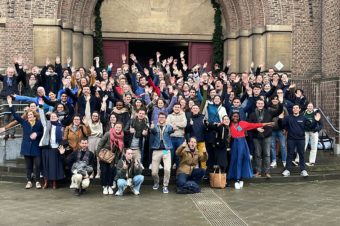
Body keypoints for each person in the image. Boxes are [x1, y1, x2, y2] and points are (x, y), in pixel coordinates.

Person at [228, 112, 274, 189]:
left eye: (237, 116)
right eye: (234, 116)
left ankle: (239, 179)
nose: (235, 117)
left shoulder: (242, 123)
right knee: (234, 160)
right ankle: (236, 177)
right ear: (231, 117)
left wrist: (267, 123)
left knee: (241, 160)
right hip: (234, 144)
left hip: (242, 143)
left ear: (239, 117)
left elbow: (254, 125)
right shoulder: (229, 124)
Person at [7, 96, 44, 189]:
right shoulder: (24, 122)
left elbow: (43, 132)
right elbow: (15, 115)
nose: (30, 116)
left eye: (31, 115)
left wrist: (37, 133)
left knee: (38, 165)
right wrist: (10, 104)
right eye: (28, 115)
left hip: (36, 147)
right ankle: (29, 181)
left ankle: (38, 181)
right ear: (27, 117)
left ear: (34, 116)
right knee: (28, 166)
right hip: (26, 147)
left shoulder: (39, 123)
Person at [279, 104, 321, 177]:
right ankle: (287, 170)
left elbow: (311, 126)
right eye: (294, 108)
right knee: (290, 154)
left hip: (301, 139)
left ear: (299, 109)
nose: (295, 109)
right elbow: (281, 126)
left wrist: (316, 121)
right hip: (291, 139)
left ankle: (303, 170)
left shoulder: (303, 118)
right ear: (292, 110)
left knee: (301, 154)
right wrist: (280, 119)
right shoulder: (288, 118)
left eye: (297, 108)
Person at [38, 105, 65, 189]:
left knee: (54, 166)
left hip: (55, 148)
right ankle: (46, 182)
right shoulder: (46, 124)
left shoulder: (61, 127)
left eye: (54, 116)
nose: (53, 117)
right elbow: (42, 116)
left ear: (57, 118)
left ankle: (54, 183)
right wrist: (41, 106)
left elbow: (63, 138)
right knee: (45, 166)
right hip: (46, 148)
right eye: (51, 116)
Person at [96, 122, 125, 195]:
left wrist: (117, 160)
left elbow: (120, 149)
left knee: (111, 172)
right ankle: (105, 186)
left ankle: (109, 186)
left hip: (113, 158)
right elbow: (100, 144)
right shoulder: (108, 134)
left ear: (121, 129)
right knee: (104, 171)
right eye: (117, 127)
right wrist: (98, 155)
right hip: (104, 156)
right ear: (114, 127)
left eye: (119, 127)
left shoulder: (121, 136)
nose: (118, 128)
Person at [150, 112, 174, 194]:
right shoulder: (155, 127)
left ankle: (165, 186)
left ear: (165, 118)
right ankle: (156, 182)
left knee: (167, 169)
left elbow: (172, 130)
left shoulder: (168, 127)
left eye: (163, 117)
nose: (161, 118)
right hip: (156, 150)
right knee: (154, 172)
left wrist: (172, 127)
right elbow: (152, 131)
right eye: (160, 117)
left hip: (165, 150)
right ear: (158, 118)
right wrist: (152, 127)